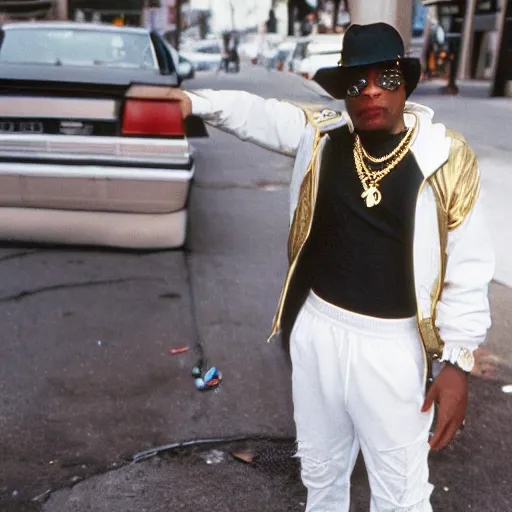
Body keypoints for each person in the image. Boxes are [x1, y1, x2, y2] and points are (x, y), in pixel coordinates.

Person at [168, 23, 494, 512]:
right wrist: (194, 103)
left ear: (404, 82)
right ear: (343, 93)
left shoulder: (446, 157)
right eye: (356, 83)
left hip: (394, 347)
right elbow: (259, 114)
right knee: (319, 475)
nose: (371, 92)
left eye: (384, 77)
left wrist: (457, 363)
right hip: (318, 331)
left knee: (401, 493)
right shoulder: (322, 137)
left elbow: (468, 266)